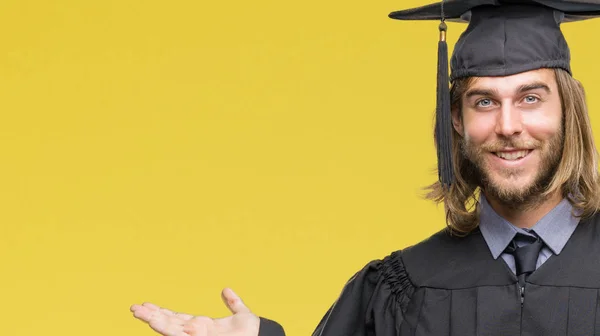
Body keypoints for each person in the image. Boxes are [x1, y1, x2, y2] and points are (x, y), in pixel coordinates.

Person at [130, 0, 600, 335]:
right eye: (484, 102)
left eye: (531, 98)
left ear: (569, 109)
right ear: (456, 120)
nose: (508, 125)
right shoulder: (402, 286)